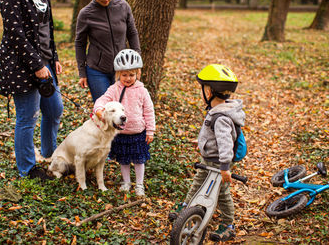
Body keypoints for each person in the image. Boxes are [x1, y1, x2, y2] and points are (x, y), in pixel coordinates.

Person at [0, 0, 63, 181]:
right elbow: (15, 34)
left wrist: (54, 57)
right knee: (28, 117)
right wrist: (37, 65)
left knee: (54, 109)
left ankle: (50, 154)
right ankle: (27, 169)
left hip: (45, 62)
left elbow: (47, 30)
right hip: (21, 65)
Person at [170, 64, 245, 242]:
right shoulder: (216, 111)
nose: (201, 92)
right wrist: (203, 143)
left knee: (222, 193)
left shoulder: (221, 117)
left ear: (209, 91)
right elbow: (215, 137)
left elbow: (226, 143)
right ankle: (186, 207)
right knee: (197, 182)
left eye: (202, 88)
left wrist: (225, 167)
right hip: (209, 158)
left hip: (220, 163)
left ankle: (228, 225)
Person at [93, 49, 155, 196]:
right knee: (124, 160)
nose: (128, 78)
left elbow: (149, 111)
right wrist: (99, 110)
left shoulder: (142, 91)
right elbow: (102, 100)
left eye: (132, 75)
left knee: (139, 160)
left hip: (138, 132)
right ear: (118, 74)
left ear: (138, 74)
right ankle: (126, 182)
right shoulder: (114, 89)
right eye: (124, 75)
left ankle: (139, 184)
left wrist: (150, 130)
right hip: (121, 133)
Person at [75, 0, 141, 102]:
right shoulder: (86, 13)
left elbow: (132, 34)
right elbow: (80, 43)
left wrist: (136, 62)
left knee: (122, 108)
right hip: (97, 71)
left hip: (123, 69)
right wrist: (82, 72)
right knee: (105, 110)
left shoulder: (123, 7)